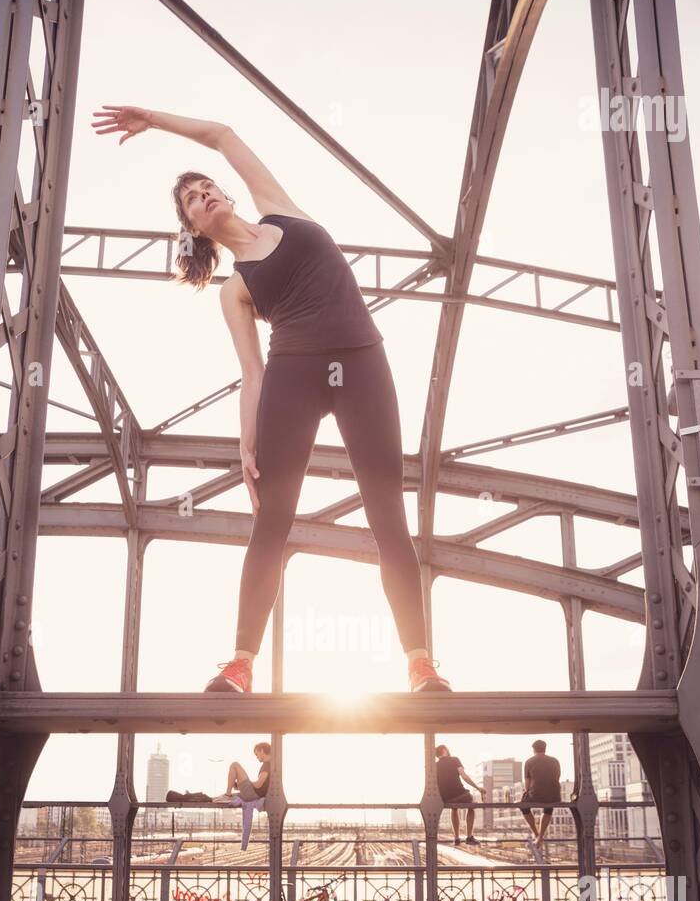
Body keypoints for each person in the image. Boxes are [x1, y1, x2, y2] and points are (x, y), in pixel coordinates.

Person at [91, 105, 452, 696]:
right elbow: (252, 373)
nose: (204, 194)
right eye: (191, 200)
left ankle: (421, 664)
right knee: (272, 520)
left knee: (387, 513)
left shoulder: (282, 211)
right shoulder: (235, 290)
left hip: (362, 363)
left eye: (207, 186)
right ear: (192, 228)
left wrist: (152, 121)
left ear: (226, 193)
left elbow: (221, 134)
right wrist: (246, 445)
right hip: (295, 375)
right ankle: (239, 665)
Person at [434, 744, 484, 846]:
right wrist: (478, 788)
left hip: (445, 798)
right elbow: (464, 776)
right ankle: (469, 837)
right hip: (459, 793)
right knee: (471, 804)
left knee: (454, 808)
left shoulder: (435, 765)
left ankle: (457, 838)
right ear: (445, 750)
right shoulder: (454, 760)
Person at [519, 740, 561, 849]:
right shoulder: (555, 761)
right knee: (548, 807)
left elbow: (527, 785)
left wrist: (526, 794)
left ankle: (537, 835)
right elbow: (557, 778)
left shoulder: (529, 762)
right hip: (555, 795)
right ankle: (540, 835)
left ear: (533, 749)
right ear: (545, 748)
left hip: (536, 794)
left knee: (523, 806)